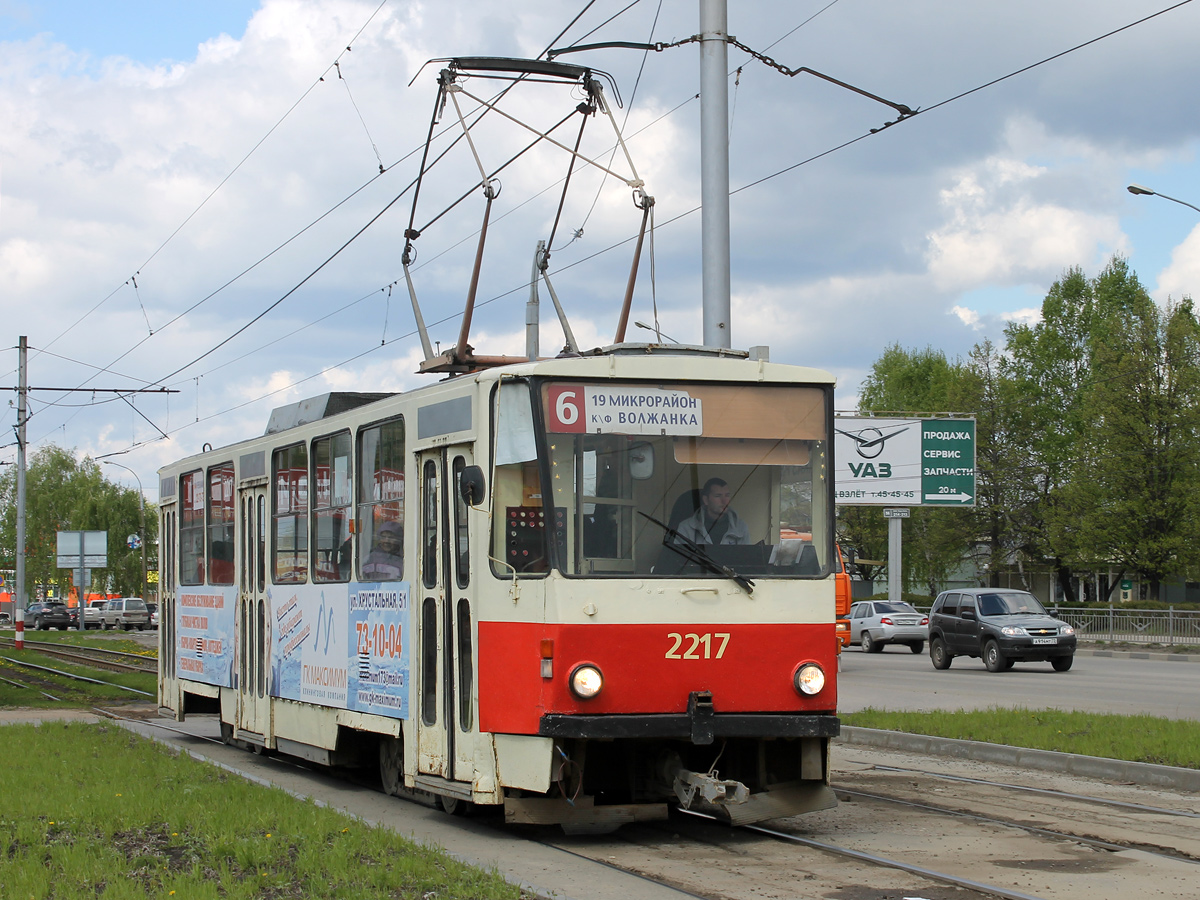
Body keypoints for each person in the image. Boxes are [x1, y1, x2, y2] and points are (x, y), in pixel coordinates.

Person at [675, 477, 750, 546]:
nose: (724, 501)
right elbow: (679, 559)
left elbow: (746, 559)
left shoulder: (740, 527)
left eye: (727, 495)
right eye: (718, 496)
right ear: (706, 500)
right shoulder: (687, 527)